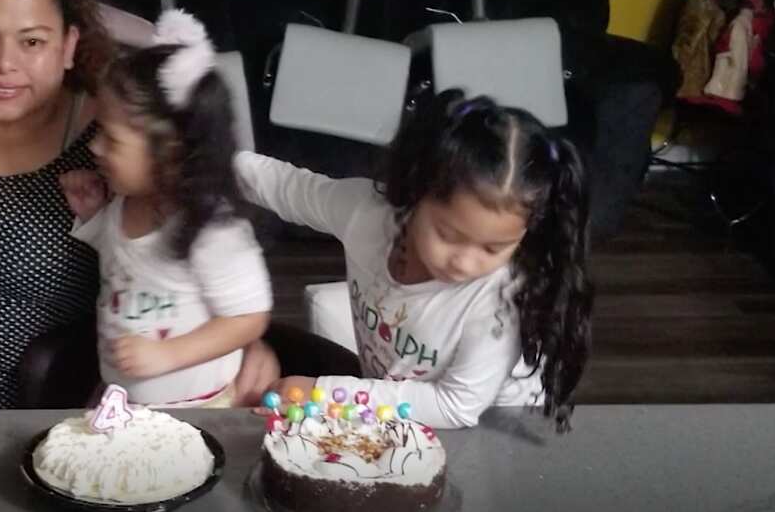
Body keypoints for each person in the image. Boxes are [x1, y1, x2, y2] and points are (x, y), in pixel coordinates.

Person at [0, 0, 281, 410]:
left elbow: (216, 278)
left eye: (32, 41)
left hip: (64, 406)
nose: (5, 63)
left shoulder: (124, 138)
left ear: (69, 45)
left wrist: (240, 344)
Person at [242, 89, 595, 432]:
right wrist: (206, 156)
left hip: (492, 428)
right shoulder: (367, 213)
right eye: (449, 235)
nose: (465, 263)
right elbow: (287, 187)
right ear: (413, 194)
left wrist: (324, 393)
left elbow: (455, 406)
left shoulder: (500, 302)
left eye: (493, 249)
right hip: (402, 405)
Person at [60, 9, 271, 407]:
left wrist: (167, 355)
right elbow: (124, 264)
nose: (94, 147)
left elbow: (249, 318)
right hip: (123, 401)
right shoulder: (124, 203)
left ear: (171, 153)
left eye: (111, 138)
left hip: (199, 412)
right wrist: (92, 217)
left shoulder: (215, 232)